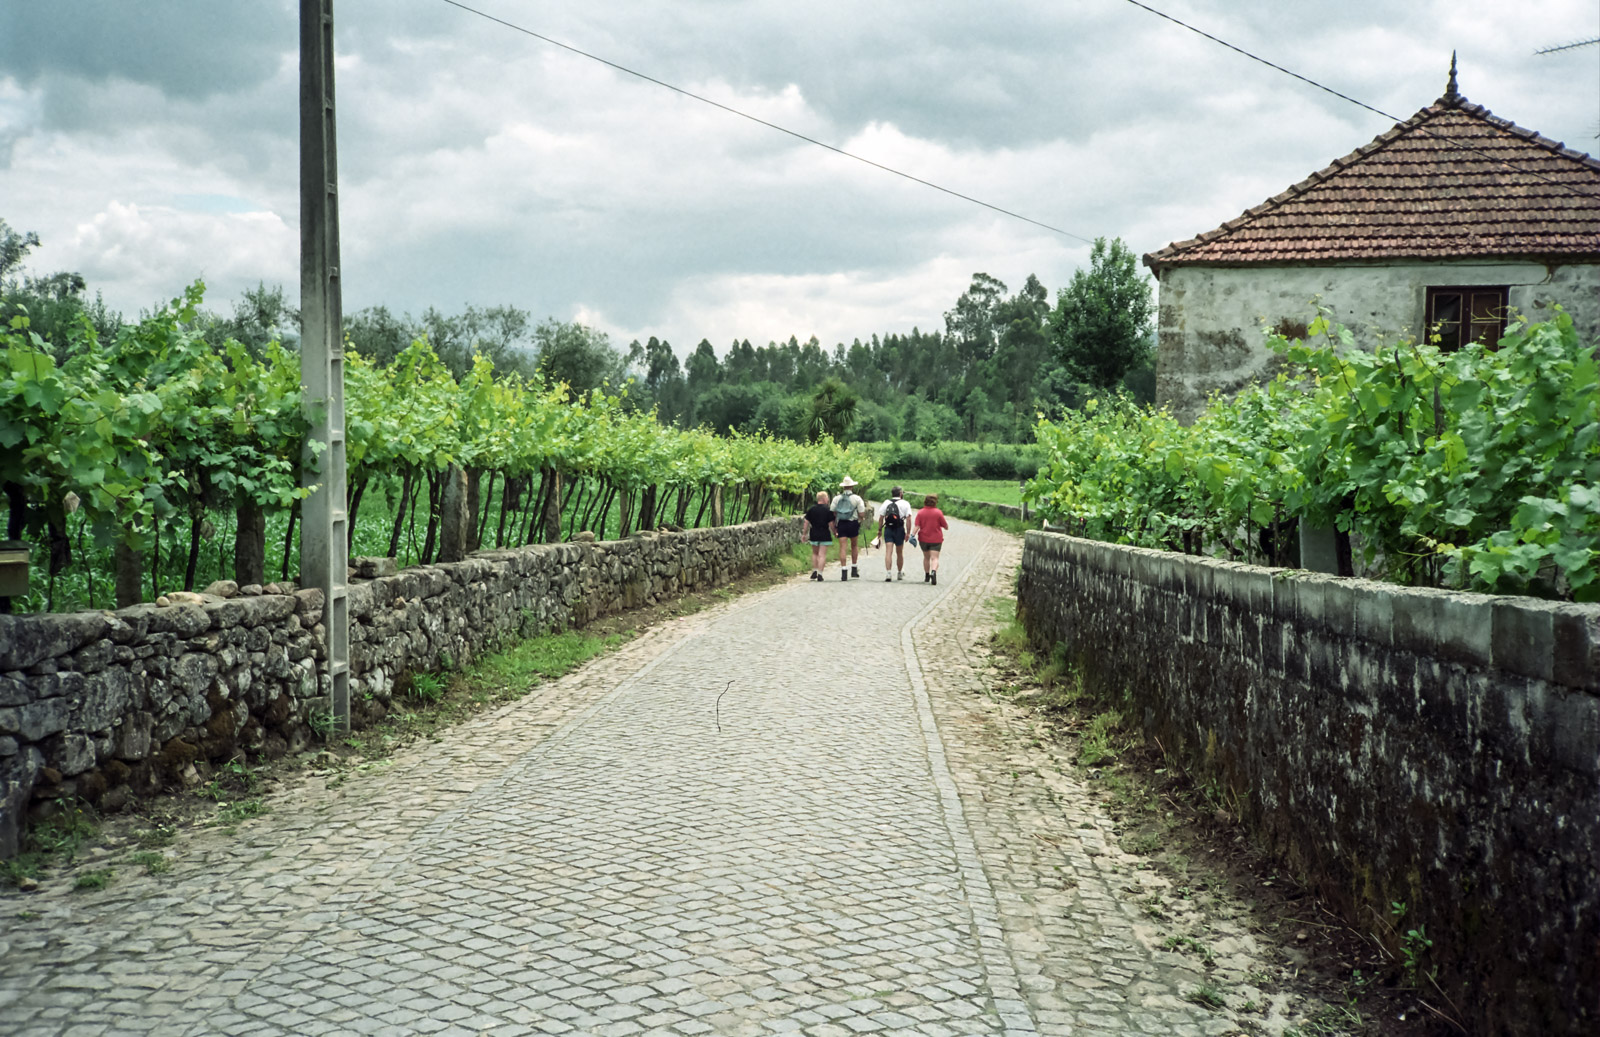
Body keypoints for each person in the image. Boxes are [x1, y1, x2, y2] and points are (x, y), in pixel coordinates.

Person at [874, 486, 913, 581]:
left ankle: (888, 573)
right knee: (899, 552)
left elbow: (880, 518)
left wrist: (879, 530)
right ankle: (899, 573)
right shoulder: (905, 503)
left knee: (888, 552)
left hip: (888, 529)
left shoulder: (886, 503)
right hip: (899, 529)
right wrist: (908, 533)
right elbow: (908, 519)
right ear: (900, 494)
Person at [832, 477, 866, 581]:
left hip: (841, 523)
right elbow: (861, 513)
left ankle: (843, 570)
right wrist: (860, 519)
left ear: (843, 487)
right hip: (853, 523)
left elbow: (833, 512)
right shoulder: (857, 498)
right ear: (852, 486)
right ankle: (854, 568)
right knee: (854, 545)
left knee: (843, 547)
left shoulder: (836, 499)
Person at [913, 493, 949, 585]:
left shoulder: (920, 512)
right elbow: (945, 525)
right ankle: (934, 572)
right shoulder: (938, 512)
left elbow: (917, 526)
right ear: (935, 502)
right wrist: (945, 526)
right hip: (936, 539)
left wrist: (912, 535)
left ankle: (927, 575)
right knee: (935, 558)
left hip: (923, 539)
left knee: (926, 557)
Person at [804, 491, 835, 581]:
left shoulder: (812, 509)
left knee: (815, 553)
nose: (828, 499)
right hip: (824, 533)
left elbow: (806, 522)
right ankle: (820, 574)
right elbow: (831, 524)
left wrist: (804, 534)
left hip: (814, 532)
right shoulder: (828, 510)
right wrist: (834, 532)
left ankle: (814, 570)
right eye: (827, 498)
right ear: (824, 499)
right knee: (822, 554)